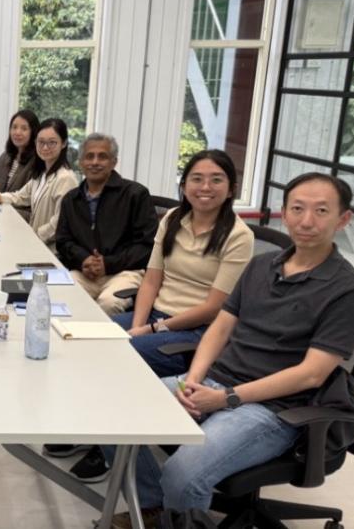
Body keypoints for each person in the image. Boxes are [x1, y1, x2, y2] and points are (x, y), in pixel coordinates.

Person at [105, 173, 354, 527]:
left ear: (343, 219)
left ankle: (178, 513)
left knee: (183, 475)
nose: (307, 221)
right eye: (297, 209)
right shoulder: (262, 265)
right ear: (284, 214)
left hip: (271, 408)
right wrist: (192, 380)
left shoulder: (347, 289)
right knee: (108, 414)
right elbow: (220, 327)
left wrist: (226, 398)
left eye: (321, 211)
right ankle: (153, 507)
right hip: (213, 383)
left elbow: (311, 374)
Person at [66, 150, 254, 485]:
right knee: (87, 342)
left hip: (196, 331)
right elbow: (152, 279)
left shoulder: (238, 236)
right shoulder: (173, 219)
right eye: (197, 179)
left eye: (216, 180)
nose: (205, 187)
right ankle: (96, 429)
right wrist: (140, 324)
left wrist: (153, 328)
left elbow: (215, 307)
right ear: (184, 185)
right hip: (154, 316)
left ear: (231, 189)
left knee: (120, 357)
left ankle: (109, 450)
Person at [54, 133, 158, 315]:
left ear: (113, 162)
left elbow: (147, 246)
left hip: (125, 272)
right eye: (89, 156)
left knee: (108, 303)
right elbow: (63, 241)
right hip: (84, 272)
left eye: (102, 157)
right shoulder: (71, 199)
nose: (95, 162)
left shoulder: (136, 194)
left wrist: (107, 264)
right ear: (81, 162)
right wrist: (84, 259)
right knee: (61, 296)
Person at [0, 118, 77, 247]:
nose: (45, 147)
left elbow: (59, 222)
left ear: (64, 143)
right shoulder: (41, 174)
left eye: (52, 142)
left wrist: (36, 236)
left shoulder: (65, 179)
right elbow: (21, 196)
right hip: (36, 243)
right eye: (41, 142)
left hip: (51, 250)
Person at [0, 109, 40, 214]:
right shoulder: (7, 155)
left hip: (18, 215)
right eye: (14, 127)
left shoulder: (36, 161)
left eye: (24, 129)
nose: (17, 132)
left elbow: (27, 202)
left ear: (33, 132)